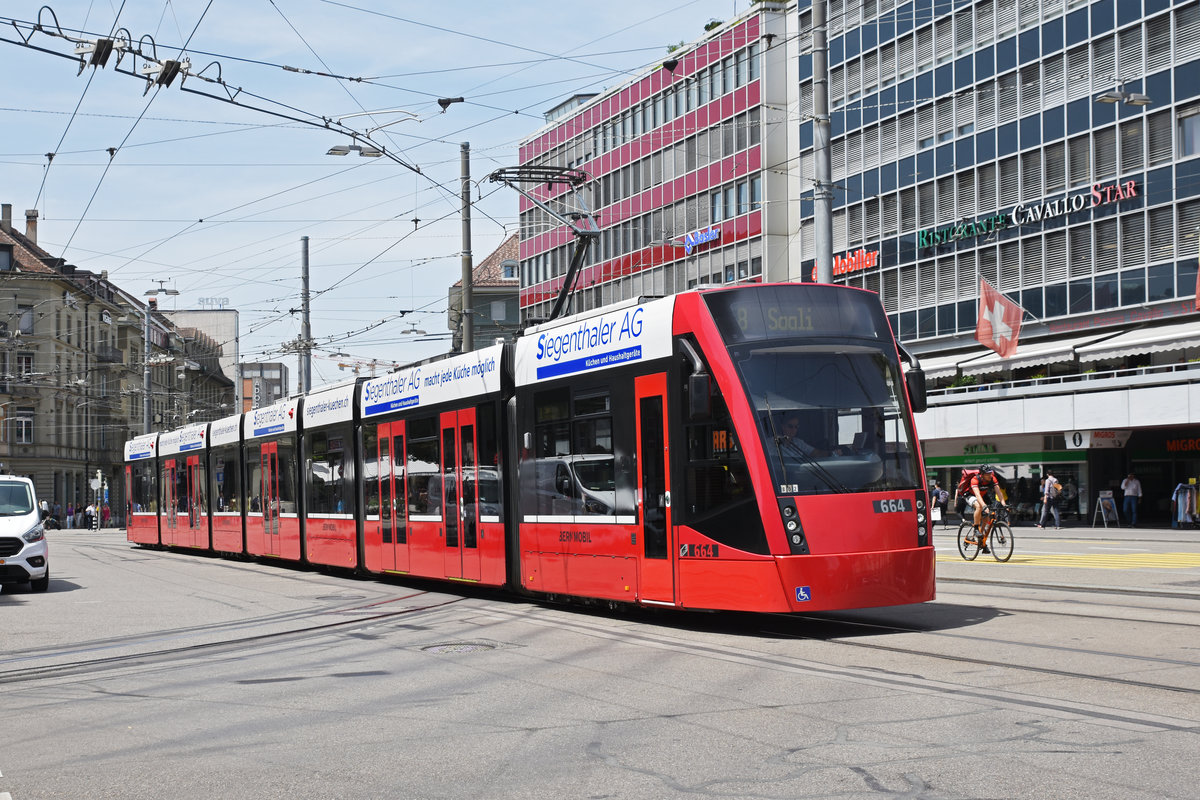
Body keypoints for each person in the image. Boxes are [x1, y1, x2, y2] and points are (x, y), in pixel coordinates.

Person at [967, 465, 1008, 552]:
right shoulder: (975, 480)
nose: (990, 475)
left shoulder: (992, 478)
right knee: (979, 506)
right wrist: (984, 506)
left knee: (986, 519)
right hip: (970, 495)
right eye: (987, 474)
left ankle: (981, 541)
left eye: (990, 473)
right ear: (982, 474)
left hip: (983, 495)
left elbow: (999, 492)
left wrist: (1004, 504)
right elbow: (977, 495)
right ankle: (975, 527)